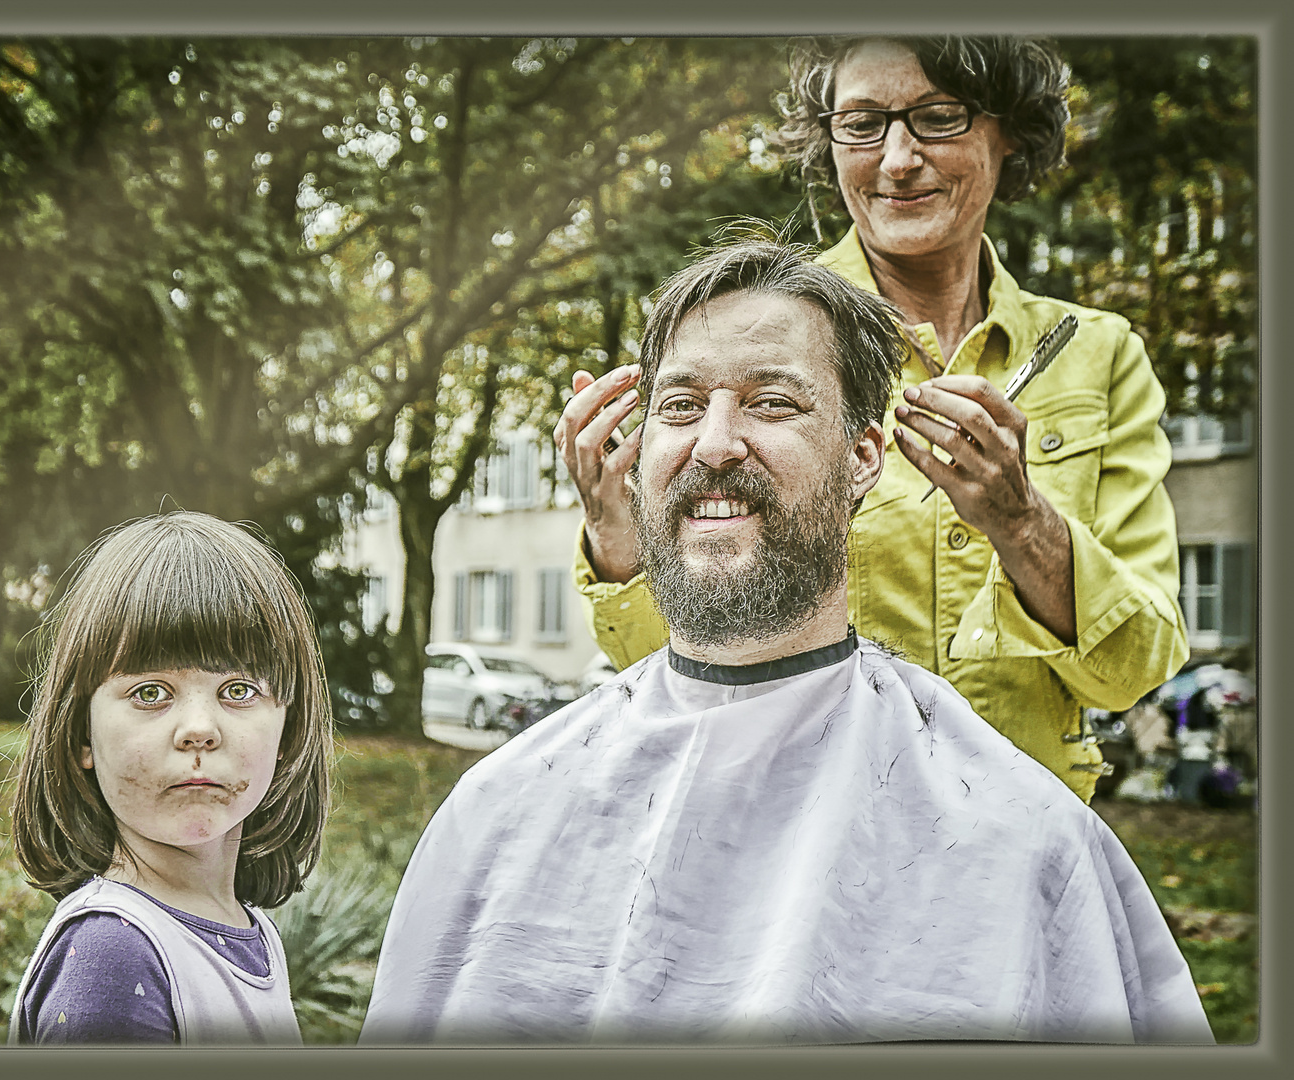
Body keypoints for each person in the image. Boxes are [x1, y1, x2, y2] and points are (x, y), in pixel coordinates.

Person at [360, 240, 1212, 1044]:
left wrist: (1023, 522)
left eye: (773, 402)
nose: (716, 442)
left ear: (863, 458)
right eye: (680, 407)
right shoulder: (499, 809)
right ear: (632, 452)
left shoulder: (1022, 839)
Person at [556, 35, 1187, 803]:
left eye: (938, 117)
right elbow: (670, 665)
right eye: (860, 123)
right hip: (792, 821)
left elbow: (1132, 669)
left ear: (1009, 131)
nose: (895, 160)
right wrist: (619, 537)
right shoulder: (752, 337)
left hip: (1021, 841)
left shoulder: (1100, 355)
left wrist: (1020, 522)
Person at [8, 511, 333, 1045]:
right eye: (151, 693)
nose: (200, 730)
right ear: (81, 736)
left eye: (238, 690)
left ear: (288, 732)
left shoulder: (255, 935)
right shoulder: (113, 959)